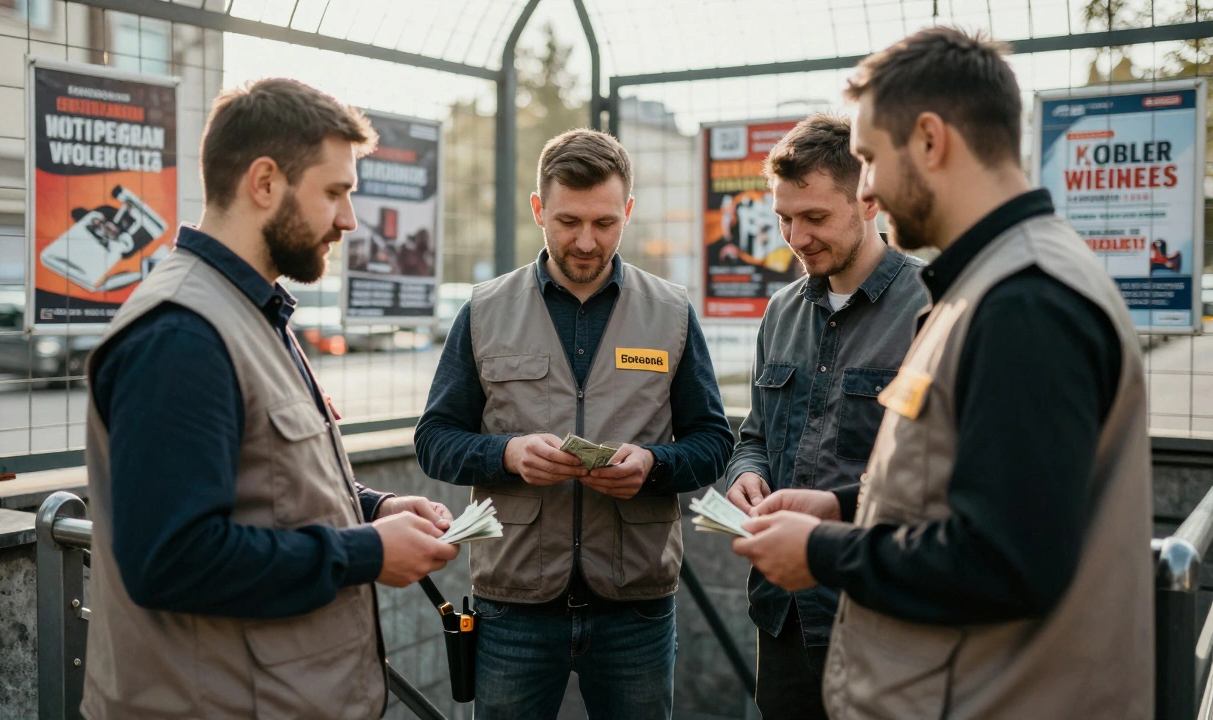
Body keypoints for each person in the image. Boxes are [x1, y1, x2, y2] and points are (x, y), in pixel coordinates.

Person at [733, 28, 1153, 718]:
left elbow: (1007, 559)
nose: (868, 184)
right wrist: (842, 507)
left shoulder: (1024, 302)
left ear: (930, 140)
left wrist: (824, 551)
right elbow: (968, 490)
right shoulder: (998, 283)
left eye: (871, 158)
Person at [80, 78, 459, 720]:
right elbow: (172, 560)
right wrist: (369, 551)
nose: (349, 219)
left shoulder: (249, 309)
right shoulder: (182, 335)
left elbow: (265, 482)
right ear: (264, 183)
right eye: (334, 193)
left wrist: (375, 508)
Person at [415, 128, 734, 720]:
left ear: (628, 212)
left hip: (636, 608)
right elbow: (434, 441)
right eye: (568, 222)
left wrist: (654, 464)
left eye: (605, 223)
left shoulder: (670, 312)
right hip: (512, 606)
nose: (587, 241)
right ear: (539, 209)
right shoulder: (484, 311)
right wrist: (508, 455)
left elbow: (714, 443)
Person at [723, 114, 926, 719]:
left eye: (815, 217)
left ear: (868, 202)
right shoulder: (780, 311)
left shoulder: (931, 307)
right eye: (784, 218)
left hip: (882, 614)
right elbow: (755, 434)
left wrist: (839, 507)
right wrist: (745, 472)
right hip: (784, 614)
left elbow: (939, 473)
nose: (797, 237)